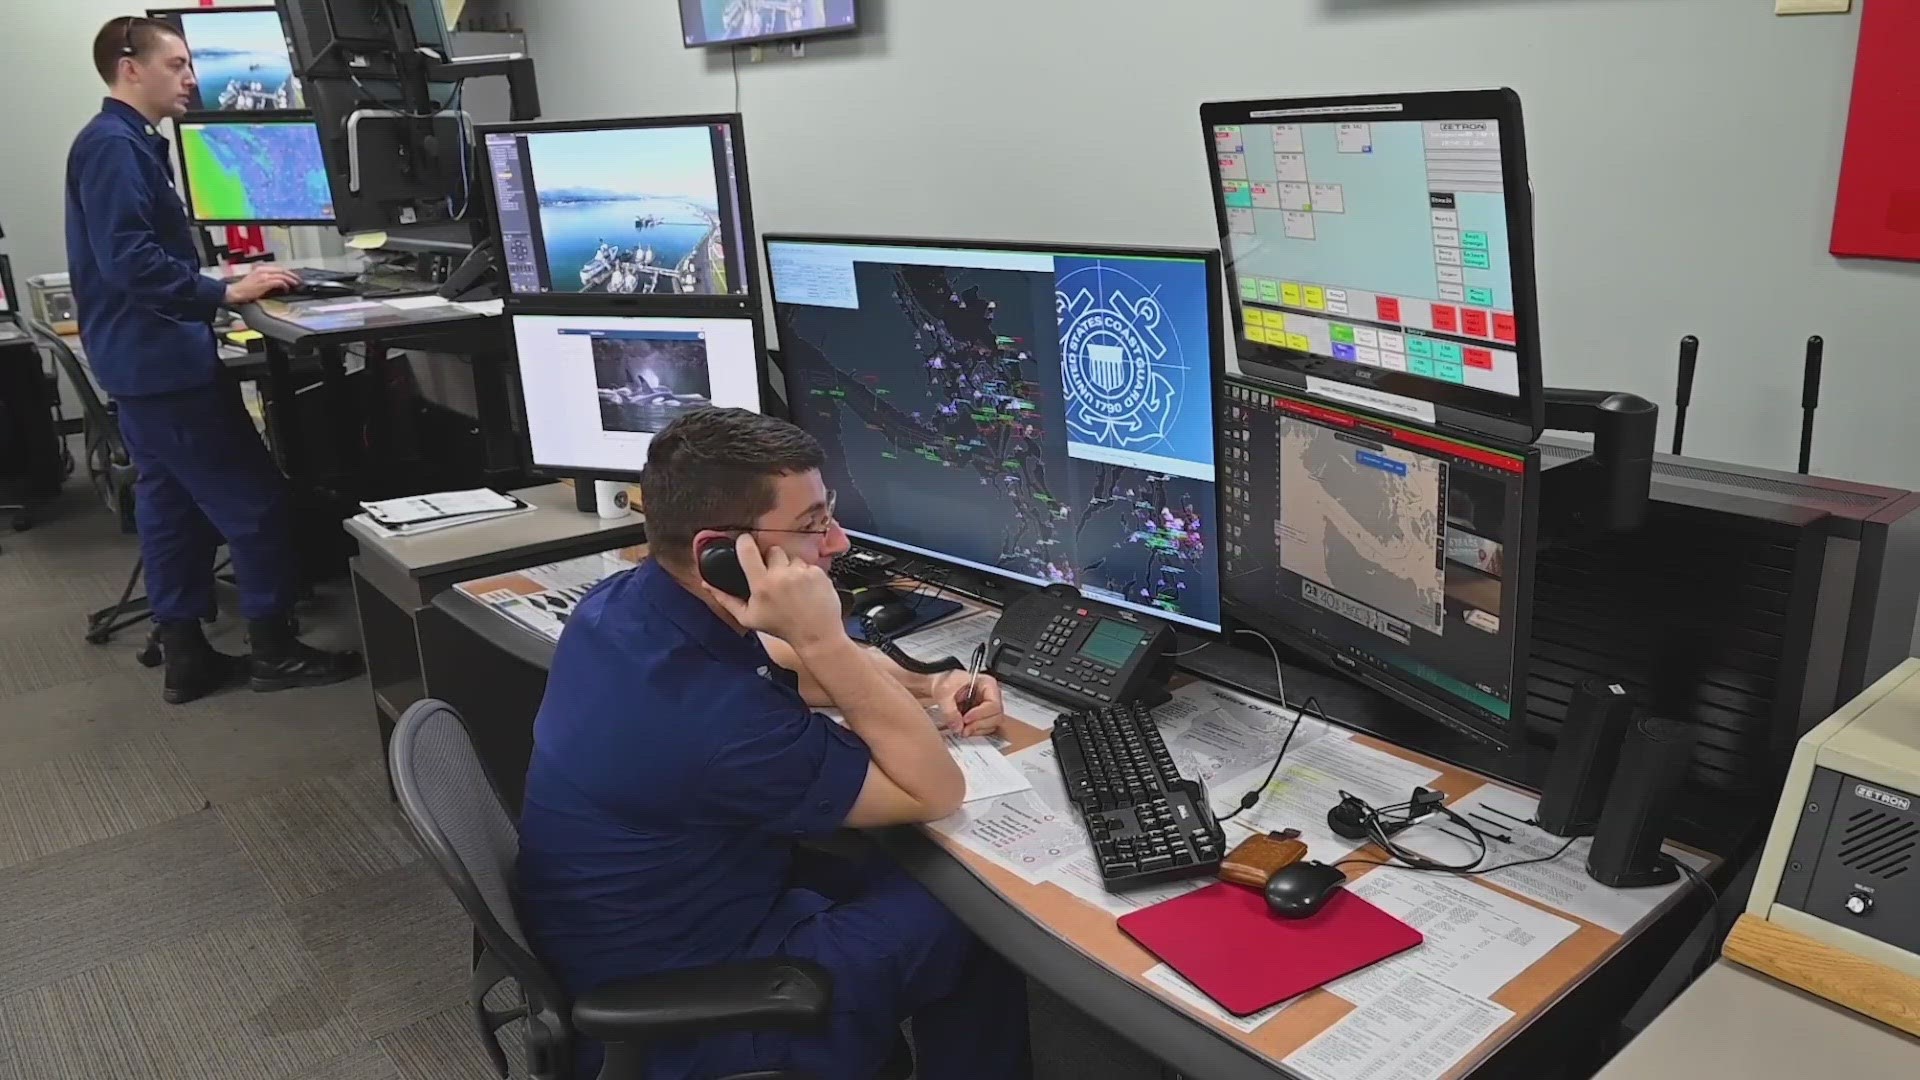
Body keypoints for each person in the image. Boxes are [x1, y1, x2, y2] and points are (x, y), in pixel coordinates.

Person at [519, 408, 1032, 1079]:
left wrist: (931, 685)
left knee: (922, 873)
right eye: (815, 524)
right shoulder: (717, 729)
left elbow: (786, 664)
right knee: (981, 916)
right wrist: (824, 636)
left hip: (650, 920)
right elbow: (934, 788)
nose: (840, 542)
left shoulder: (628, 603)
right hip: (703, 997)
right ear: (723, 551)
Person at [65, 17, 360, 703]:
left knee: (168, 506)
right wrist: (218, 293)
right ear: (129, 67)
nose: (192, 77)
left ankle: (187, 655)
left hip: (139, 363)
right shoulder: (114, 146)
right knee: (255, 503)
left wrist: (222, 280)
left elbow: (142, 252)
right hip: (161, 364)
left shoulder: (126, 142)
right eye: (176, 64)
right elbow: (129, 260)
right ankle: (274, 651)